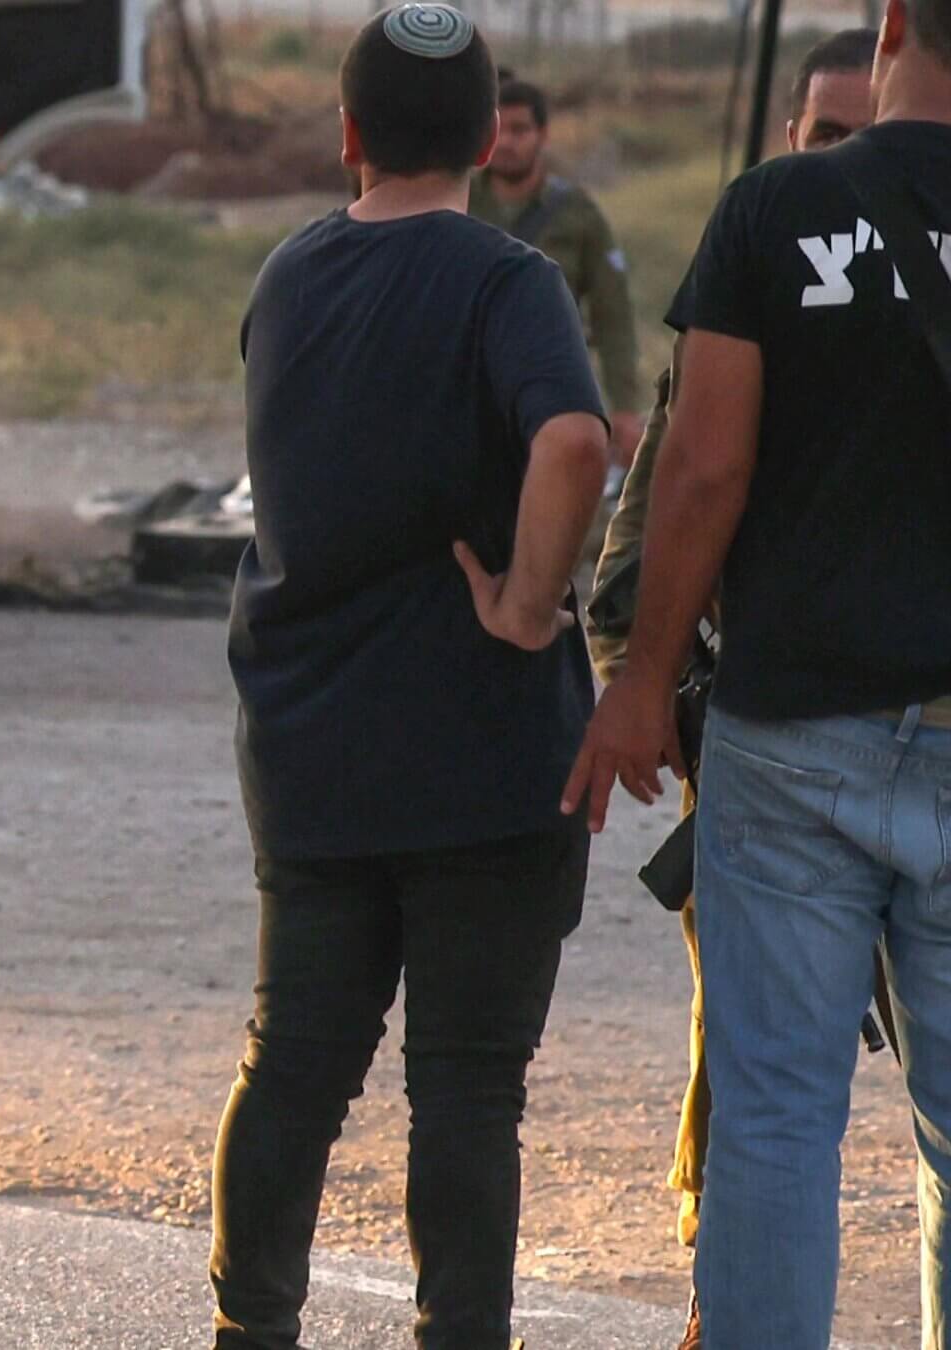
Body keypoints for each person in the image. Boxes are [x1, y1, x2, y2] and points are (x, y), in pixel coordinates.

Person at [209, 9, 609, 1347]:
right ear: (494, 138)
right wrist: (526, 605)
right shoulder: (509, 282)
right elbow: (574, 444)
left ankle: (249, 1327)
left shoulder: (287, 278)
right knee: (465, 1093)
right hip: (484, 762)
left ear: (348, 134)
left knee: (295, 1070)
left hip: (313, 751)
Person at [566, 0, 951, 1340]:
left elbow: (703, 467)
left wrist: (638, 677)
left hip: (794, 738)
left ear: (896, 22)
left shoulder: (773, 210)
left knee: (778, 1125)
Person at [472, 74, 648, 469]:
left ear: (543, 135)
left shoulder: (577, 215)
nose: (507, 142)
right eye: (498, 129)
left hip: (547, 387)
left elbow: (613, 315)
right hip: (469, 386)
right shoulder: (459, 202)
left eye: (520, 130)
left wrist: (624, 409)